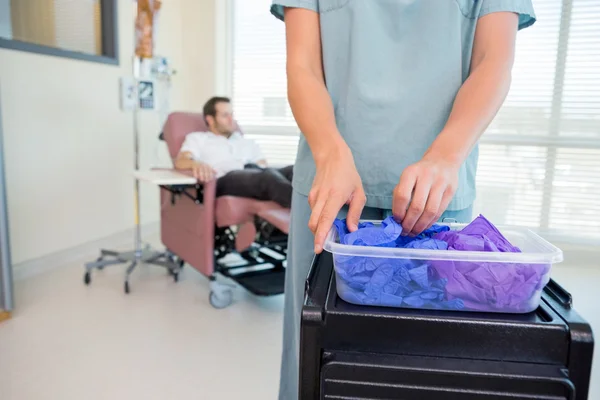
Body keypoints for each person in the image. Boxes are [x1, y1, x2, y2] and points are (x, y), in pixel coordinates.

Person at [269, 1, 536, 399]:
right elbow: (302, 65)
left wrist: (446, 156)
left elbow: (492, 62)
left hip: (435, 197)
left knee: (423, 365)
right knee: (317, 360)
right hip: (332, 188)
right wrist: (329, 151)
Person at [174, 96, 294, 208]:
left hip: (253, 173)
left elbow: (262, 163)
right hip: (225, 179)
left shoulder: (243, 140)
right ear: (210, 119)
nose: (232, 120)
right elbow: (181, 160)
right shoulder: (198, 138)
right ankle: (305, 214)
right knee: (268, 178)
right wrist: (197, 164)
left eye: (231, 114)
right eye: (225, 115)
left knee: (293, 170)